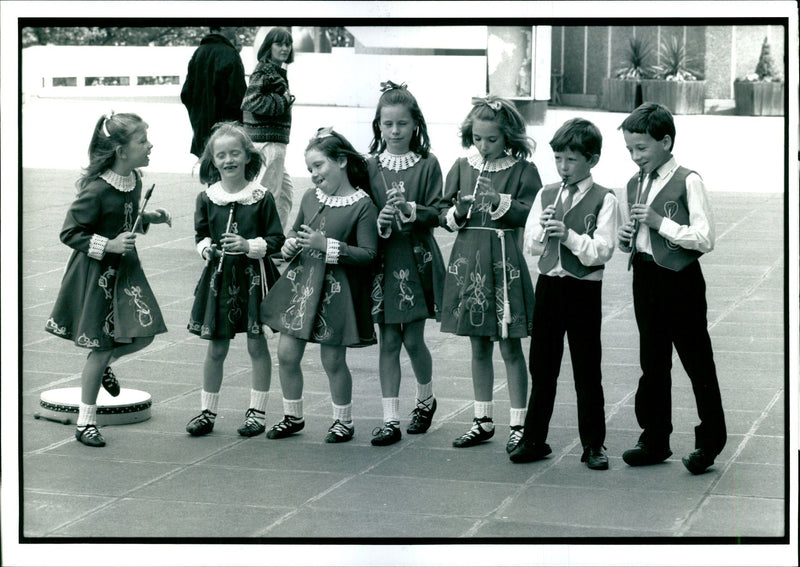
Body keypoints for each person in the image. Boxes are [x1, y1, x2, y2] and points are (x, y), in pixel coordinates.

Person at [44, 112, 171, 447]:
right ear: (120, 150)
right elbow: (70, 232)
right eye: (142, 140)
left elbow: (126, 219)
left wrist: (147, 219)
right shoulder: (97, 189)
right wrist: (109, 245)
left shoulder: (136, 180)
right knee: (100, 346)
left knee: (143, 335)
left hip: (125, 274)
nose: (149, 145)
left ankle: (104, 367)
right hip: (96, 275)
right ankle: (86, 422)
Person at [616, 102, 726, 475]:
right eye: (630, 149)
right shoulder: (636, 183)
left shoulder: (688, 179)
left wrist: (659, 222)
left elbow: (705, 238)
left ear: (665, 141)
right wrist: (626, 239)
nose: (635, 156)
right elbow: (640, 237)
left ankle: (709, 442)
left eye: (642, 148)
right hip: (645, 276)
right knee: (653, 361)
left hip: (681, 279)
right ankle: (654, 437)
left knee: (696, 360)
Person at [510, 118, 619, 469]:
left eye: (571, 160)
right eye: (558, 159)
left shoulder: (605, 199)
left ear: (592, 160)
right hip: (550, 286)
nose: (563, 167)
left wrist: (568, 235)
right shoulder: (546, 195)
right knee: (542, 366)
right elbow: (530, 245)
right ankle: (534, 438)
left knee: (587, 369)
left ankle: (593, 445)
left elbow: (602, 251)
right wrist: (543, 231)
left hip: (583, 290)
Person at [261, 127, 378, 443]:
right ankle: (292, 415)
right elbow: (297, 233)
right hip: (301, 287)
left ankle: (344, 420)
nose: (313, 174)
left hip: (336, 293)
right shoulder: (311, 197)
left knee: (332, 360)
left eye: (318, 166)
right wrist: (289, 246)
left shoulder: (362, 206)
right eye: (310, 168)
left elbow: (368, 254)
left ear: (340, 161)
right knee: (286, 353)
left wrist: (327, 245)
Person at [440, 96, 542, 453]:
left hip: (503, 261)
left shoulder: (522, 170)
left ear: (508, 137)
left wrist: (499, 200)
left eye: (492, 140)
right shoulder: (461, 165)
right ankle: (482, 419)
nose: (483, 146)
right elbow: (444, 213)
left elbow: (532, 213)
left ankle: (519, 423)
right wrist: (458, 209)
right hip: (469, 261)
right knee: (477, 344)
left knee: (510, 345)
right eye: (478, 138)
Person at [185, 122, 285, 438]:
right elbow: (201, 234)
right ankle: (207, 411)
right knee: (216, 348)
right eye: (221, 155)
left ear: (247, 157)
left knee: (257, 345)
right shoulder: (207, 197)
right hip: (219, 279)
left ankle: (257, 412)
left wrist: (249, 246)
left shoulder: (261, 196)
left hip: (253, 279)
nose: (228, 160)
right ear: (212, 161)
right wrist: (206, 250)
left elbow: (276, 239)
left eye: (234, 153)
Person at [366, 80, 446, 446]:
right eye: (388, 124)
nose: (395, 131)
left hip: (416, 260)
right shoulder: (369, 166)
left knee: (413, 340)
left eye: (401, 124)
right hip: (383, 259)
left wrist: (411, 210)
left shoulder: (428, 164)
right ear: (378, 126)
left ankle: (425, 399)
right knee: (387, 343)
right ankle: (390, 418)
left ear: (416, 124)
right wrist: (379, 221)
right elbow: (361, 212)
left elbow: (439, 213)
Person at [241, 27, 296, 230]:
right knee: (268, 194)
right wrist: (282, 101)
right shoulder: (265, 70)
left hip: (274, 142)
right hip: (267, 142)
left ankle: (275, 242)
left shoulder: (275, 71)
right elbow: (250, 101)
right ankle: (259, 241)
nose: (285, 48)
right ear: (268, 47)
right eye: (279, 43)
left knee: (284, 195)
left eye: (288, 44)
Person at [180, 27, 247, 158]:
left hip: (202, 129)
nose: (235, 29)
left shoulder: (199, 52)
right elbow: (239, 97)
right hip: (227, 132)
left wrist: (198, 116)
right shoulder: (229, 53)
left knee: (209, 172)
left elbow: (186, 93)